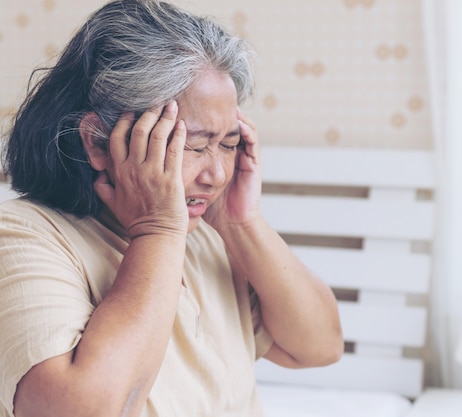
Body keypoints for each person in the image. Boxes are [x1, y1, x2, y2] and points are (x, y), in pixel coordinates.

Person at [0, 1, 343, 416]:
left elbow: (319, 346)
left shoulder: (207, 236)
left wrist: (242, 222)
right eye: (194, 146)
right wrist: (156, 230)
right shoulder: (20, 236)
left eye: (229, 144)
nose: (216, 174)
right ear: (96, 141)